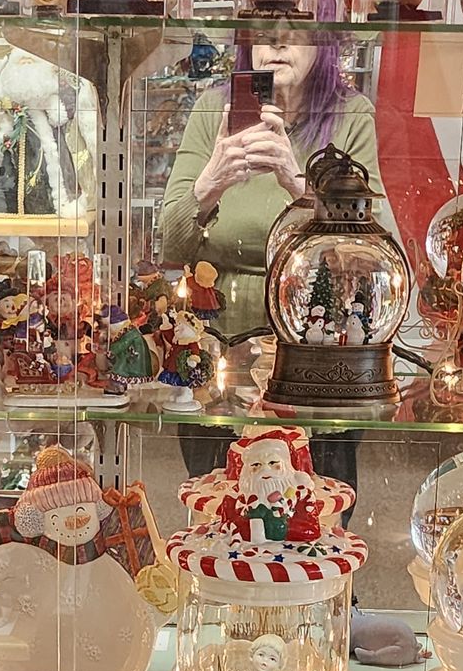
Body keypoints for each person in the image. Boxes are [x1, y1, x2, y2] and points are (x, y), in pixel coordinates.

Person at [157, 35, 387, 487]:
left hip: (318, 359)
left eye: (298, 32)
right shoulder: (215, 108)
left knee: (317, 506)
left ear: (326, 42)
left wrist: (298, 181)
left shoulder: (349, 114)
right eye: (264, 32)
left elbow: (375, 258)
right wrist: (209, 184)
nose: (279, 43)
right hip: (218, 358)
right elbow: (171, 245)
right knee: (216, 505)